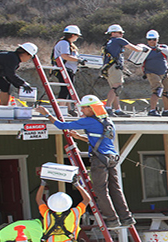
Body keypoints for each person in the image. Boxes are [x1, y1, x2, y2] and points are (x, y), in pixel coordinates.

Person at [35, 95, 135, 228]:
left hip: (99, 159)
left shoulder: (89, 121)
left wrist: (47, 114)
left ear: (91, 108)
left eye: (83, 108)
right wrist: (80, 137)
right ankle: (126, 217)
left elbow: (62, 125)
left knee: (100, 190)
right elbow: (100, 141)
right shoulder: (107, 121)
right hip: (111, 157)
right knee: (115, 189)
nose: (81, 111)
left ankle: (112, 219)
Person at [102, 24, 149, 117]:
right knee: (116, 87)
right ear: (113, 33)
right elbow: (134, 48)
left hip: (108, 67)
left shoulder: (109, 42)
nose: (121, 34)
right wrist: (143, 49)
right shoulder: (119, 40)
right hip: (114, 67)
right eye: (120, 32)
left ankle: (117, 109)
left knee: (115, 89)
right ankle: (108, 107)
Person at [36, 176, 90, 241]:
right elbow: (87, 199)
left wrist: (42, 184)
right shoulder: (75, 212)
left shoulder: (47, 214)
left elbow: (39, 199)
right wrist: (76, 184)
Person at [52, 25, 86, 116]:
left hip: (68, 70)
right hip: (64, 70)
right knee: (65, 89)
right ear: (73, 35)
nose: (77, 38)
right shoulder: (64, 43)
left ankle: (68, 109)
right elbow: (65, 56)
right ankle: (61, 110)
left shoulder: (68, 44)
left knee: (68, 90)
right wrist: (78, 60)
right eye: (77, 36)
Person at [142, 30, 168, 117]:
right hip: (151, 72)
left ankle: (167, 110)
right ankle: (152, 110)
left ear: (157, 39)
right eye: (149, 39)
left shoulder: (163, 47)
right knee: (157, 89)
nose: (152, 41)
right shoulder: (145, 48)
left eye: (154, 39)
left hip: (164, 72)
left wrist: (160, 49)